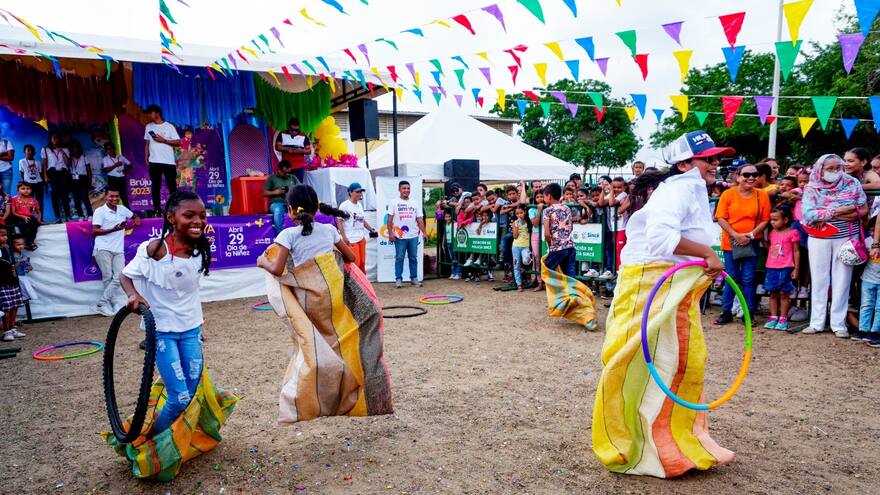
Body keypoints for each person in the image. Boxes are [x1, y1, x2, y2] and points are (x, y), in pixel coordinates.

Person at [593, 130, 735, 478]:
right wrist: (707, 254)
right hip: (649, 283)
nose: (716, 163)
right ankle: (631, 445)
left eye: (717, 158)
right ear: (684, 164)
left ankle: (673, 444)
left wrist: (703, 258)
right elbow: (660, 240)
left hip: (675, 287)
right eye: (708, 158)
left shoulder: (693, 190)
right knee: (634, 361)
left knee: (684, 362)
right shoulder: (678, 190)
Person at [120, 190, 226, 435]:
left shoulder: (200, 248)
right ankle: (151, 441)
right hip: (162, 332)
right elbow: (125, 275)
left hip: (191, 330)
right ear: (171, 218)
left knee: (191, 391)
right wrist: (133, 295)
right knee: (179, 398)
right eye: (189, 215)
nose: (198, 221)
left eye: (202, 215)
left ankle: (177, 438)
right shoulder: (155, 249)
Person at [801, 154, 867, 337]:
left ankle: (839, 324)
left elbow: (861, 210)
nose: (835, 171)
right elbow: (809, 214)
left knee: (843, 279)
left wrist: (827, 213)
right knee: (819, 279)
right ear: (820, 168)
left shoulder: (852, 183)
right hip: (818, 237)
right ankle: (816, 322)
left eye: (838, 167)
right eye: (830, 168)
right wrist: (841, 210)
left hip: (847, 238)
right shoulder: (811, 187)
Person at [713, 163, 771, 325]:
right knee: (731, 277)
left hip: (751, 241)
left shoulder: (761, 195)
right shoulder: (728, 194)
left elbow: (765, 219)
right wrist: (735, 235)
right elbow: (720, 217)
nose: (751, 177)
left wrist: (751, 235)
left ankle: (748, 313)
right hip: (731, 242)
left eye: (755, 174)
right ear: (738, 177)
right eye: (746, 175)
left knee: (748, 278)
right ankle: (726, 311)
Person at [258, 184, 354, 273]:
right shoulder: (330, 229)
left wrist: (262, 261)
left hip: (306, 285)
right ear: (317, 207)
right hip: (332, 284)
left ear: (290, 209)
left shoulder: (287, 234)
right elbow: (351, 257)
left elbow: (277, 270)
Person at [92, 188, 139, 316]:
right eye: (111, 196)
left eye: (117, 196)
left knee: (120, 277)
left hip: (118, 250)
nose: (114, 199)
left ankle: (102, 304)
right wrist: (113, 229)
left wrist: (136, 218)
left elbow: (133, 215)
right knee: (107, 278)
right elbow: (94, 231)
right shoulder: (100, 211)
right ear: (106, 197)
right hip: (102, 248)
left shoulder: (122, 209)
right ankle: (109, 305)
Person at [763, 207, 800, 331]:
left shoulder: (793, 233)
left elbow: (796, 251)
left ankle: (783, 318)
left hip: (786, 267)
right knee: (773, 293)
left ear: (785, 220)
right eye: (771, 220)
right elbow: (771, 248)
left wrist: (796, 269)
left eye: (775, 220)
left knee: (784, 294)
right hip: (771, 267)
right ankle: (773, 317)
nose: (772, 222)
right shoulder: (772, 233)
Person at [386, 180, 425, 288]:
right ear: (399, 189)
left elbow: (420, 219)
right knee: (399, 258)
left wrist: (424, 232)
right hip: (400, 236)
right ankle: (398, 279)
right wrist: (390, 234)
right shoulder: (393, 202)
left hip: (413, 235)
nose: (406, 190)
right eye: (404, 188)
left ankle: (414, 278)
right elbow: (389, 220)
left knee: (413, 258)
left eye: (408, 188)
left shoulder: (415, 202)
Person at [143, 104, 181, 215]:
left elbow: (178, 142)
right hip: (154, 161)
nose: (148, 115)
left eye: (150, 113)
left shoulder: (169, 127)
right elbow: (147, 143)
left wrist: (164, 140)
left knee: (172, 186)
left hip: (168, 161)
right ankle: (157, 210)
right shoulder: (148, 127)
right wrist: (146, 156)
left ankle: (175, 209)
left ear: (157, 113)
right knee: (155, 186)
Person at [338, 182, 375, 273]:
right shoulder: (344, 205)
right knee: (355, 264)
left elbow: (362, 220)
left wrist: (371, 229)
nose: (360, 194)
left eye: (360, 192)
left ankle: (363, 281)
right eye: (357, 192)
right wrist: (344, 237)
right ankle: (355, 281)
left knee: (362, 263)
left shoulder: (359, 205)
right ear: (350, 192)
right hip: (351, 239)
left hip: (361, 238)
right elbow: (339, 221)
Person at [542, 183, 576, 278]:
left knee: (547, 271)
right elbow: (571, 227)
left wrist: (550, 247)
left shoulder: (547, 211)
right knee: (570, 276)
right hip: (570, 245)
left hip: (557, 247)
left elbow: (547, 233)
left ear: (549, 196)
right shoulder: (567, 208)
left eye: (544, 196)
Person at [0, 226, 24, 342]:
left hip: (12, 280)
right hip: (2, 282)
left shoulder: (7, 248)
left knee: (14, 305)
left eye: (5, 235)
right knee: (7, 307)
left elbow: (11, 264)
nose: (5, 238)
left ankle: (12, 328)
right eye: (2, 235)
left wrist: (14, 268)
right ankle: (6, 331)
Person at [41, 132, 71, 222]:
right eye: (53, 138)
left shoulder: (65, 149)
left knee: (64, 194)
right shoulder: (45, 149)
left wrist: (63, 152)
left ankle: (68, 216)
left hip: (63, 172)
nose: (55, 139)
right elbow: (44, 164)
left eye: (57, 138)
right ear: (50, 139)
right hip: (52, 173)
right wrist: (45, 176)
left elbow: (68, 163)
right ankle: (58, 217)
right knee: (55, 195)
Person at [263, 160, 300, 234]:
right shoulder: (272, 178)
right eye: (285, 173)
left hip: (291, 203)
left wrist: (292, 191)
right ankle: (280, 235)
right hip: (277, 203)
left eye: (289, 172)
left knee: (301, 210)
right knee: (278, 210)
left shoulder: (292, 177)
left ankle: (301, 233)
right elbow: (264, 193)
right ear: (279, 170)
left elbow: (301, 188)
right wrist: (276, 192)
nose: (287, 174)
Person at [274, 117, 312, 183]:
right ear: (288, 127)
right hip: (285, 166)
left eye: (296, 130)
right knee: (285, 185)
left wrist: (300, 151)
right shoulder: (282, 134)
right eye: (292, 130)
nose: (294, 132)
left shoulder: (303, 136)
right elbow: (277, 147)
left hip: (299, 167)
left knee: (298, 185)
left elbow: (309, 151)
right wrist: (287, 149)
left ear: (299, 128)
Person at [8, 183, 40, 250]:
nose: (26, 190)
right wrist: (23, 217)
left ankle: (29, 242)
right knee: (23, 224)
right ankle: (25, 242)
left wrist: (38, 220)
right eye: (23, 189)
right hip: (17, 216)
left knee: (35, 224)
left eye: (28, 188)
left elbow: (38, 212)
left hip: (29, 217)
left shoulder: (33, 200)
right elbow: (13, 212)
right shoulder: (14, 199)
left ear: (31, 190)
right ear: (18, 190)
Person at [68, 141, 93, 219]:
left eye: (76, 148)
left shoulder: (84, 157)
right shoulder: (70, 158)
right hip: (74, 179)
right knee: (76, 198)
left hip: (83, 178)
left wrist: (90, 182)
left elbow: (89, 170)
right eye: (73, 148)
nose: (75, 149)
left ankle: (90, 215)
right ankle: (80, 215)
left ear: (79, 148)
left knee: (85, 197)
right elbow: (67, 164)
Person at [102, 142, 131, 206]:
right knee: (113, 197)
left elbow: (130, 164)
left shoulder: (121, 157)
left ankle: (127, 210)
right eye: (107, 149)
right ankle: (113, 211)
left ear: (114, 149)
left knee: (124, 196)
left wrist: (126, 170)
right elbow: (106, 170)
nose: (109, 151)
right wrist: (115, 165)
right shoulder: (105, 159)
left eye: (110, 148)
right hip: (112, 179)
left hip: (121, 179)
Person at [511, 204, 532, 291]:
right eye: (517, 214)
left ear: (525, 212)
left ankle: (524, 268)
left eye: (521, 213)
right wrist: (517, 226)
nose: (519, 215)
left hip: (525, 246)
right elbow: (515, 236)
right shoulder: (515, 223)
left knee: (526, 261)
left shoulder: (528, 221)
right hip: (516, 246)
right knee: (516, 265)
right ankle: (519, 284)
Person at [18, 144, 43, 211]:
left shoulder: (38, 162)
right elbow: (21, 172)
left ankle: (40, 216)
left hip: (39, 183)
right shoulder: (22, 161)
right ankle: (30, 216)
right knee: (29, 201)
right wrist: (24, 183)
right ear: (24, 152)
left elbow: (40, 173)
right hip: (28, 184)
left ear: (34, 153)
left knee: (40, 201)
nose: (30, 152)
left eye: (32, 151)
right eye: (28, 150)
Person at [11, 236, 36, 304]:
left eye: (22, 244)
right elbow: (12, 267)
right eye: (18, 244)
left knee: (27, 288)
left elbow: (27, 267)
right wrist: (19, 261)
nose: (21, 246)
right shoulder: (11, 256)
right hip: (15, 277)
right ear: (13, 245)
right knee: (21, 289)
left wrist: (29, 267)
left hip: (23, 275)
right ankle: (23, 299)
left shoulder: (24, 256)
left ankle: (26, 298)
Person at [443, 210, 461, 280]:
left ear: (451, 216)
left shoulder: (454, 223)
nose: (447, 218)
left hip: (454, 243)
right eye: (446, 217)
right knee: (452, 259)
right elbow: (445, 234)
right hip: (448, 243)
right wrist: (443, 243)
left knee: (456, 258)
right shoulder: (446, 224)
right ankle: (453, 273)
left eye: (449, 216)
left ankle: (458, 273)